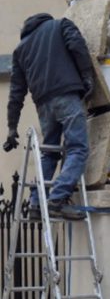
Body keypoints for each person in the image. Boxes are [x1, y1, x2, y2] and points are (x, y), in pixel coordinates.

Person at [5, 13, 94, 221]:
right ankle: (57, 199)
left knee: (50, 153)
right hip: (66, 94)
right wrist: (87, 76)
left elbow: (16, 92)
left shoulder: (20, 49)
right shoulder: (60, 25)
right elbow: (77, 46)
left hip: (44, 104)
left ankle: (36, 203)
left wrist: (12, 128)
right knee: (78, 148)